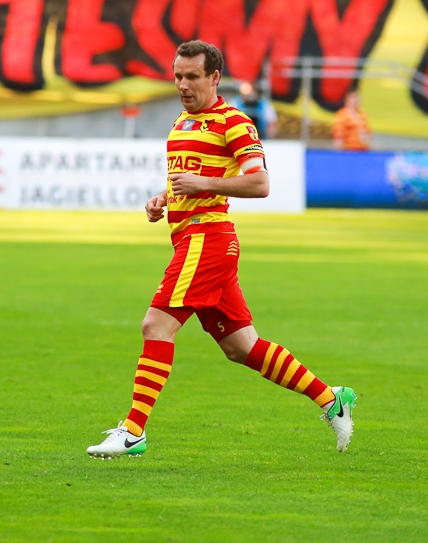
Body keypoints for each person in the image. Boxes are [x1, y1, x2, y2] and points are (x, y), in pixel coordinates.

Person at [86, 40, 356, 459]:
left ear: (214, 77)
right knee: (241, 347)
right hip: (195, 238)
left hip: (207, 239)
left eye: (192, 76)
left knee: (155, 326)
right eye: (178, 76)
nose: (183, 84)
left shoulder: (234, 122)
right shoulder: (181, 123)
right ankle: (331, 399)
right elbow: (187, 180)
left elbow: (260, 183)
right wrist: (164, 199)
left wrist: (204, 185)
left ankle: (133, 431)